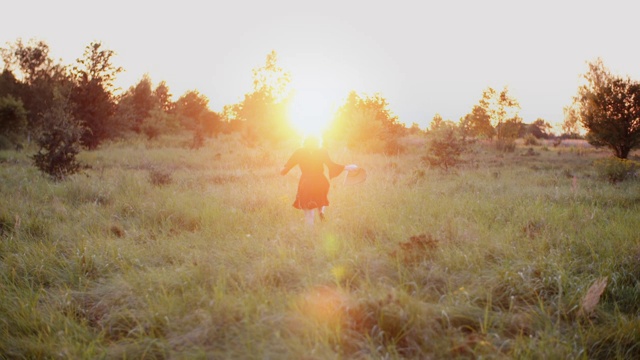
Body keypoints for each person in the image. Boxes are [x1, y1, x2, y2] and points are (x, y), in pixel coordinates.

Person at [280, 136, 357, 225]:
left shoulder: (299, 152)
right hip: (321, 182)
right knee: (321, 199)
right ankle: (321, 212)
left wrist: (282, 171)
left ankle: (310, 236)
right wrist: (346, 167)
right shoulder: (322, 151)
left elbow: (285, 170)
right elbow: (331, 165)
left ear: (305, 142)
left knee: (309, 213)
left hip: (306, 183)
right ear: (318, 142)